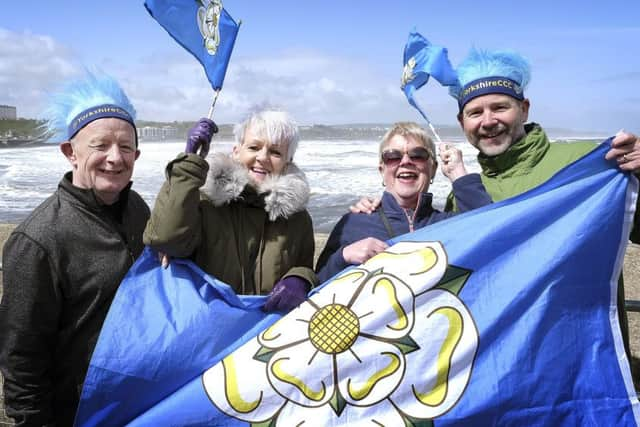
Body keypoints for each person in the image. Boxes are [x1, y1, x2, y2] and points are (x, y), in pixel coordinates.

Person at [353, 48, 640, 354]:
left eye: (500, 107)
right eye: (475, 113)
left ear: (524, 109)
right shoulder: (461, 195)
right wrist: (378, 208)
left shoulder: (587, 164)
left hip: (585, 351)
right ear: (462, 122)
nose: (488, 121)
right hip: (504, 357)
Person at [0, 71, 149, 425]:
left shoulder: (138, 209)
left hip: (135, 402)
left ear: (136, 154)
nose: (115, 158)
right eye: (101, 145)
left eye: (125, 147)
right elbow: (21, 360)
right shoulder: (38, 240)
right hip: (77, 412)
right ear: (71, 152)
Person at [143, 109, 317, 312]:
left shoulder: (297, 218)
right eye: (254, 147)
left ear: (288, 162)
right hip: (204, 326)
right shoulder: (203, 199)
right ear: (236, 151)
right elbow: (166, 239)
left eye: (276, 152)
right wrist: (188, 164)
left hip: (264, 335)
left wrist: (301, 278)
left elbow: (305, 266)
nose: (263, 157)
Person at [315, 121, 492, 283]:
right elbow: (318, 284)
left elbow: (493, 234)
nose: (406, 161)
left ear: (433, 168)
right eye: (393, 156)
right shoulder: (354, 222)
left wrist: (458, 173)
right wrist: (343, 256)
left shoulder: (448, 224)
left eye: (418, 155)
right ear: (382, 170)